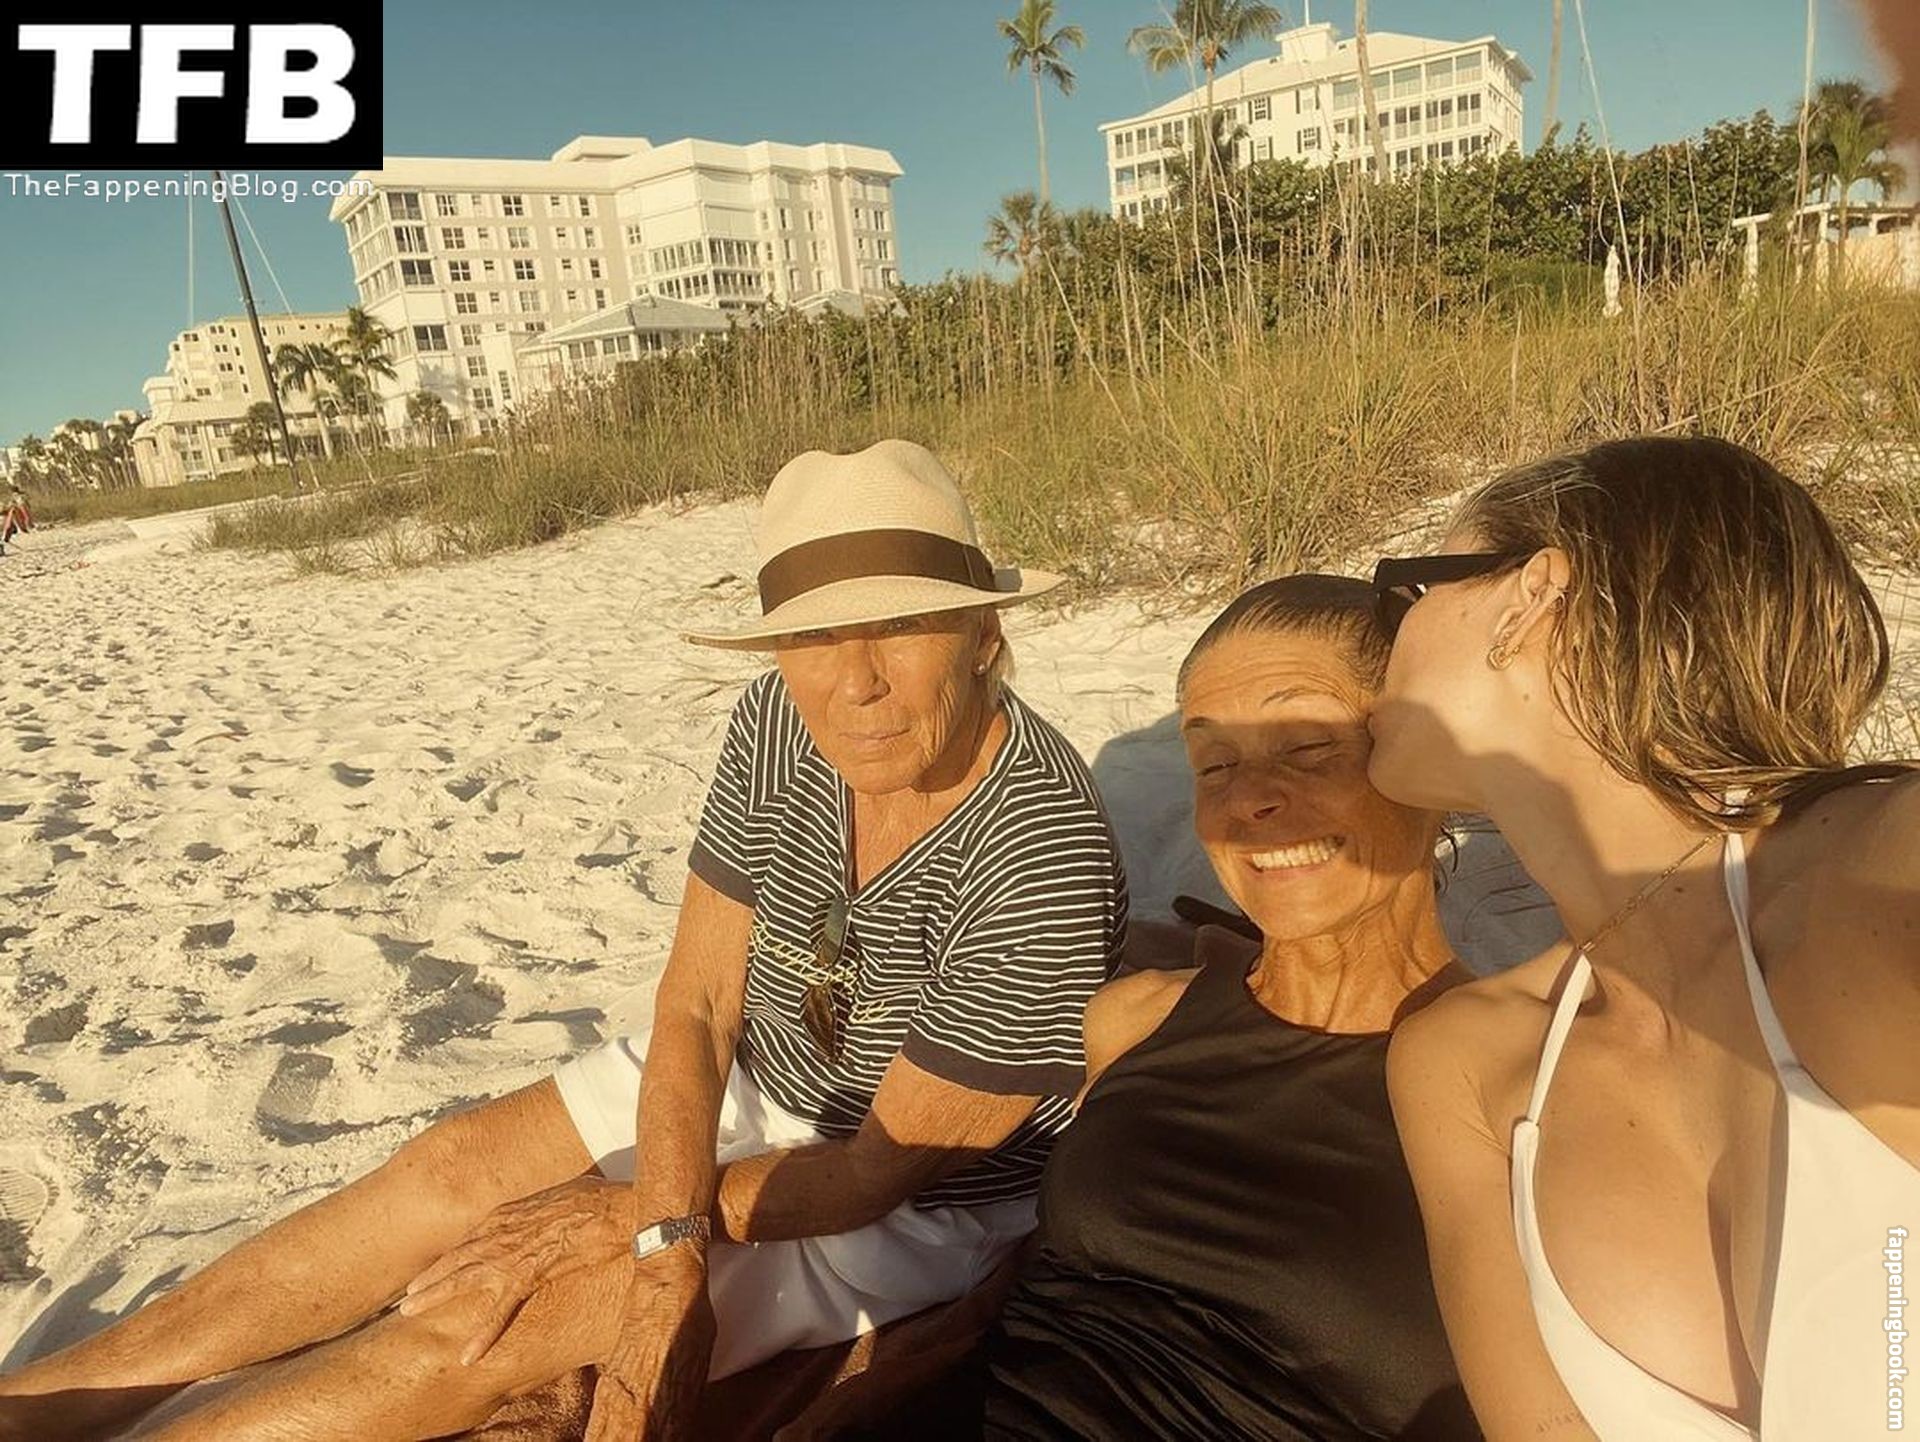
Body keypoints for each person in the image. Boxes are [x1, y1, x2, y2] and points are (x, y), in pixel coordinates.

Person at [0, 440, 1129, 1442]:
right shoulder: (779, 722)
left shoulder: (1039, 855)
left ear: (984, 632)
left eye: (901, 624)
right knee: (445, 1171)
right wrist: (666, 1241)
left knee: (486, 1322)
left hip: (911, 1204)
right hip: (761, 1074)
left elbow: (875, 1173)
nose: (856, 682)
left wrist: (632, 1226)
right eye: (814, 636)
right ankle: (40, 1404)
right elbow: (698, 1006)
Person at [1372, 437, 1919, 1440]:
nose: (1383, 644)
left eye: (1405, 593)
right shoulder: (1463, 1064)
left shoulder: (1866, 879)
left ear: (1531, 597)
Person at [911, 576, 1480, 1439]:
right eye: (1214, 764)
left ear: (1428, 760)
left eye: (1307, 746)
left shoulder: (1526, 1083)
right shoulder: (1137, 1020)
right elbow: (1038, 1287)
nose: (1248, 799)